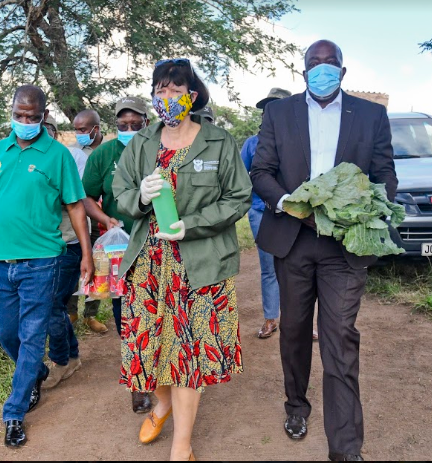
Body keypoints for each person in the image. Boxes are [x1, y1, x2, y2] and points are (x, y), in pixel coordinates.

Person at [250, 40, 398, 462]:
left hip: (344, 247)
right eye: (313, 63)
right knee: (295, 331)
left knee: (339, 338)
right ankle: (296, 405)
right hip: (292, 239)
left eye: (329, 62)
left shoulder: (371, 116)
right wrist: (290, 205)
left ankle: (346, 449)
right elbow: (261, 171)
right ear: (303, 72)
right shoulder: (279, 113)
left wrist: (364, 212)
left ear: (343, 71)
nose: (321, 69)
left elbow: (385, 175)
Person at [113, 58, 252, 461]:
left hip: (199, 263)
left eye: (175, 91)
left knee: (187, 354)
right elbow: (122, 190)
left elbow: (238, 198)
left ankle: (181, 446)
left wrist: (191, 225)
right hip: (149, 265)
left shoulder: (219, 142)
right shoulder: (141, 143)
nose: (166, 98)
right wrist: (139, 195)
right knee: (146, 348)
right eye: (159, 90)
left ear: (191, 96)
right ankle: (162, 403)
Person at [0, 85, 94, 448]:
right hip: (3, 261)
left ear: (44, 116)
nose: (25, 121)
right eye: (19, 115)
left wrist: (88, 255)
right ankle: (37, 372)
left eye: (32, 116)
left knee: (31, 336)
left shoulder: (57, 155)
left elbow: (76, 206)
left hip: (43, 261)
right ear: (11, 111)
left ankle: (14, 412)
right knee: (5, 334)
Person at [77, 96, 154, 413]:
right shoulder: (104, 155)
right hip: (120, 248)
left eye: (136, 125)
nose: (129, 129)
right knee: (127, 316)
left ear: (147, 124)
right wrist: (104, 219)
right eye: (123, 125)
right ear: (114, 126)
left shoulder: (160, 150)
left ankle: (161, 372)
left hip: (157, 243)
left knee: (157, 309)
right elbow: (86, 197)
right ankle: (139, 382)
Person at [240, 87, 291, 339]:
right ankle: (271, 318)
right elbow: (240, 179)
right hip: (261, 212)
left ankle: (302, 321)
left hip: (296, 214)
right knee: (269, 267)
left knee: (299, 267)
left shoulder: (300, 141)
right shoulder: (252, 144)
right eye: (268, 108)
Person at [44, 140, 91, 389]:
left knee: (52, 304)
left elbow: (76, 201)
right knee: (54, 305)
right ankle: (71, 356)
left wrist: (87, 254)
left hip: (67, 244)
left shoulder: (69, 158)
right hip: (40, 248)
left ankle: (62, 360)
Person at [67, 109, 110, 334]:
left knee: (100, 266)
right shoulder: (72, 152)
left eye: (83, 130)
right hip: (79, 217)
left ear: (96, 128)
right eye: (76, 129)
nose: (79, 134)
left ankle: (91, 314)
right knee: (77, 265)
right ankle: (71, 311)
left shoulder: (110, 150)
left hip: (103, 218)